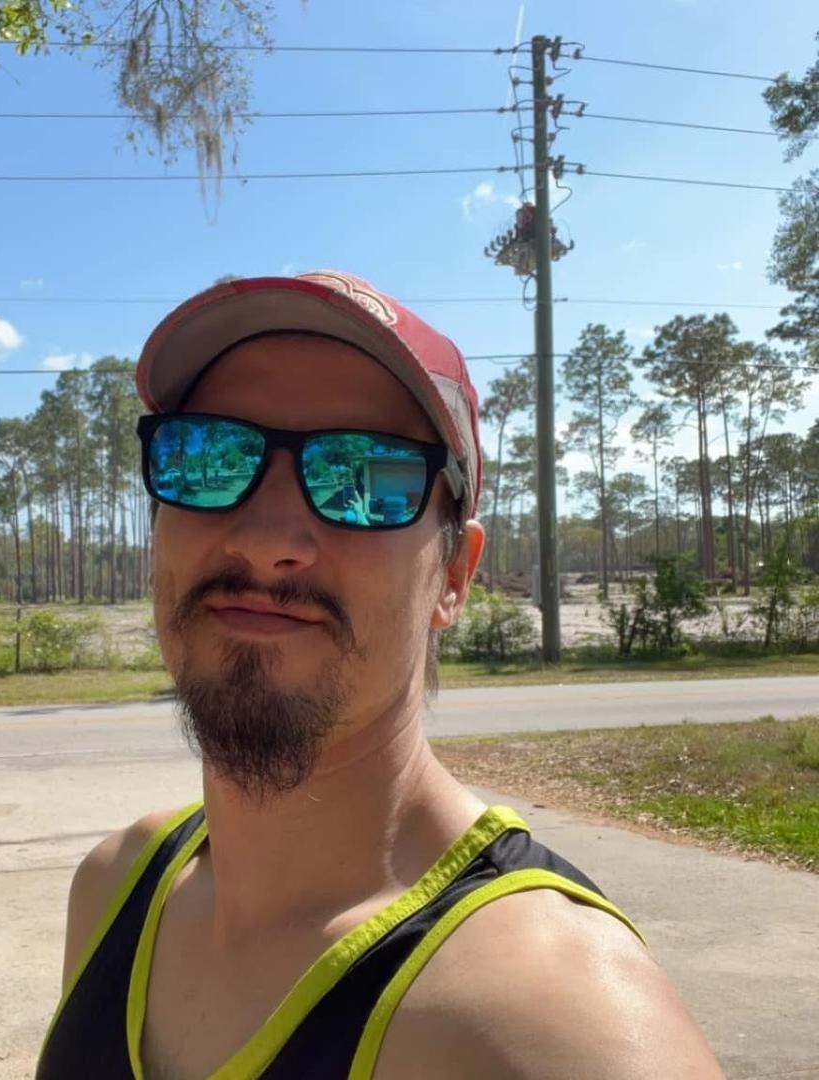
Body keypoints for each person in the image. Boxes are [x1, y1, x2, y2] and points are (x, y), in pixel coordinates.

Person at [36, 271, 724, 1079]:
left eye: (364, 478)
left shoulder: (547, 1017)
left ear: (454, 576)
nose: (264, 539)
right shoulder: (115, 887)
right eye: (207, 458)